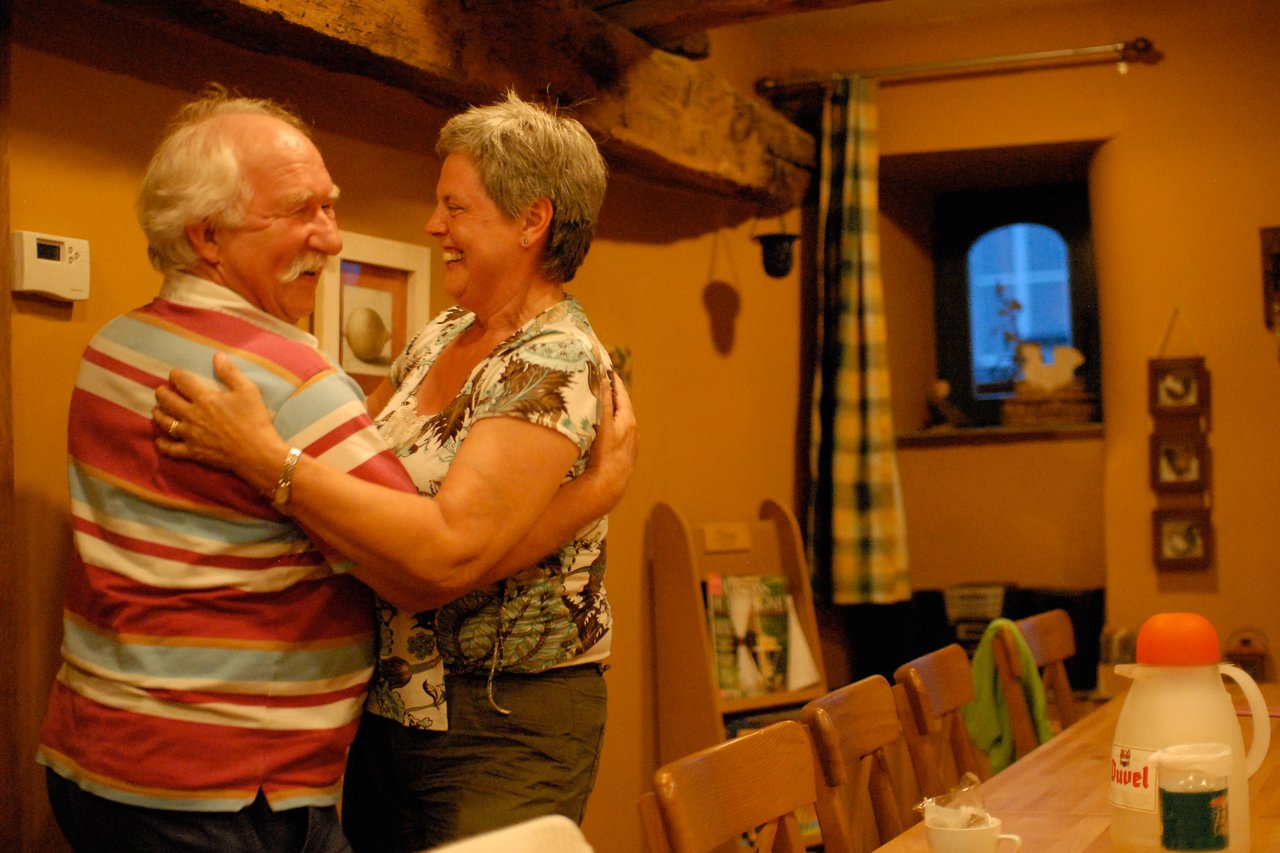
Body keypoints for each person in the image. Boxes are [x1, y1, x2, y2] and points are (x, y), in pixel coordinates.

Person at [38, 85, 633, 853]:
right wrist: (597, 489)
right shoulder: (430, 338)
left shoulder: (552, 361)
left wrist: (270, 461)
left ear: (532, 219)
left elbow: (436, 556)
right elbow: (387, 498)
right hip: (359, 730)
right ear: (208, 235)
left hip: (497, 718)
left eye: (456, 206)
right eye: (302, 211)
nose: (431, 225)